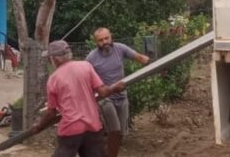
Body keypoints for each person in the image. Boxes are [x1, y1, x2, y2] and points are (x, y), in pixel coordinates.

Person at [32, 40, 126, 157]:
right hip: (92, 126)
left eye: (50, 58)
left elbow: (51, 113)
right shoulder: (86, 66)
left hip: (71, 128)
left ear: (55, 59)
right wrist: (115, 88)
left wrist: (39, 126)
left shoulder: (53, 79)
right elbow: (103, 92)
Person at [86, 27, 150, 157]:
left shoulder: (120, 48)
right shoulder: (91, 58)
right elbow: (83, 76)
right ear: (96, 42)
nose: (104, 42)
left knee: (120, 134)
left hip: (122, 96)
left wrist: (156, 65)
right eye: (100, 40)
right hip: (105, 98)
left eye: (106, 38)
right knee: (114, 130)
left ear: (111, 37)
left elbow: (139, 57)